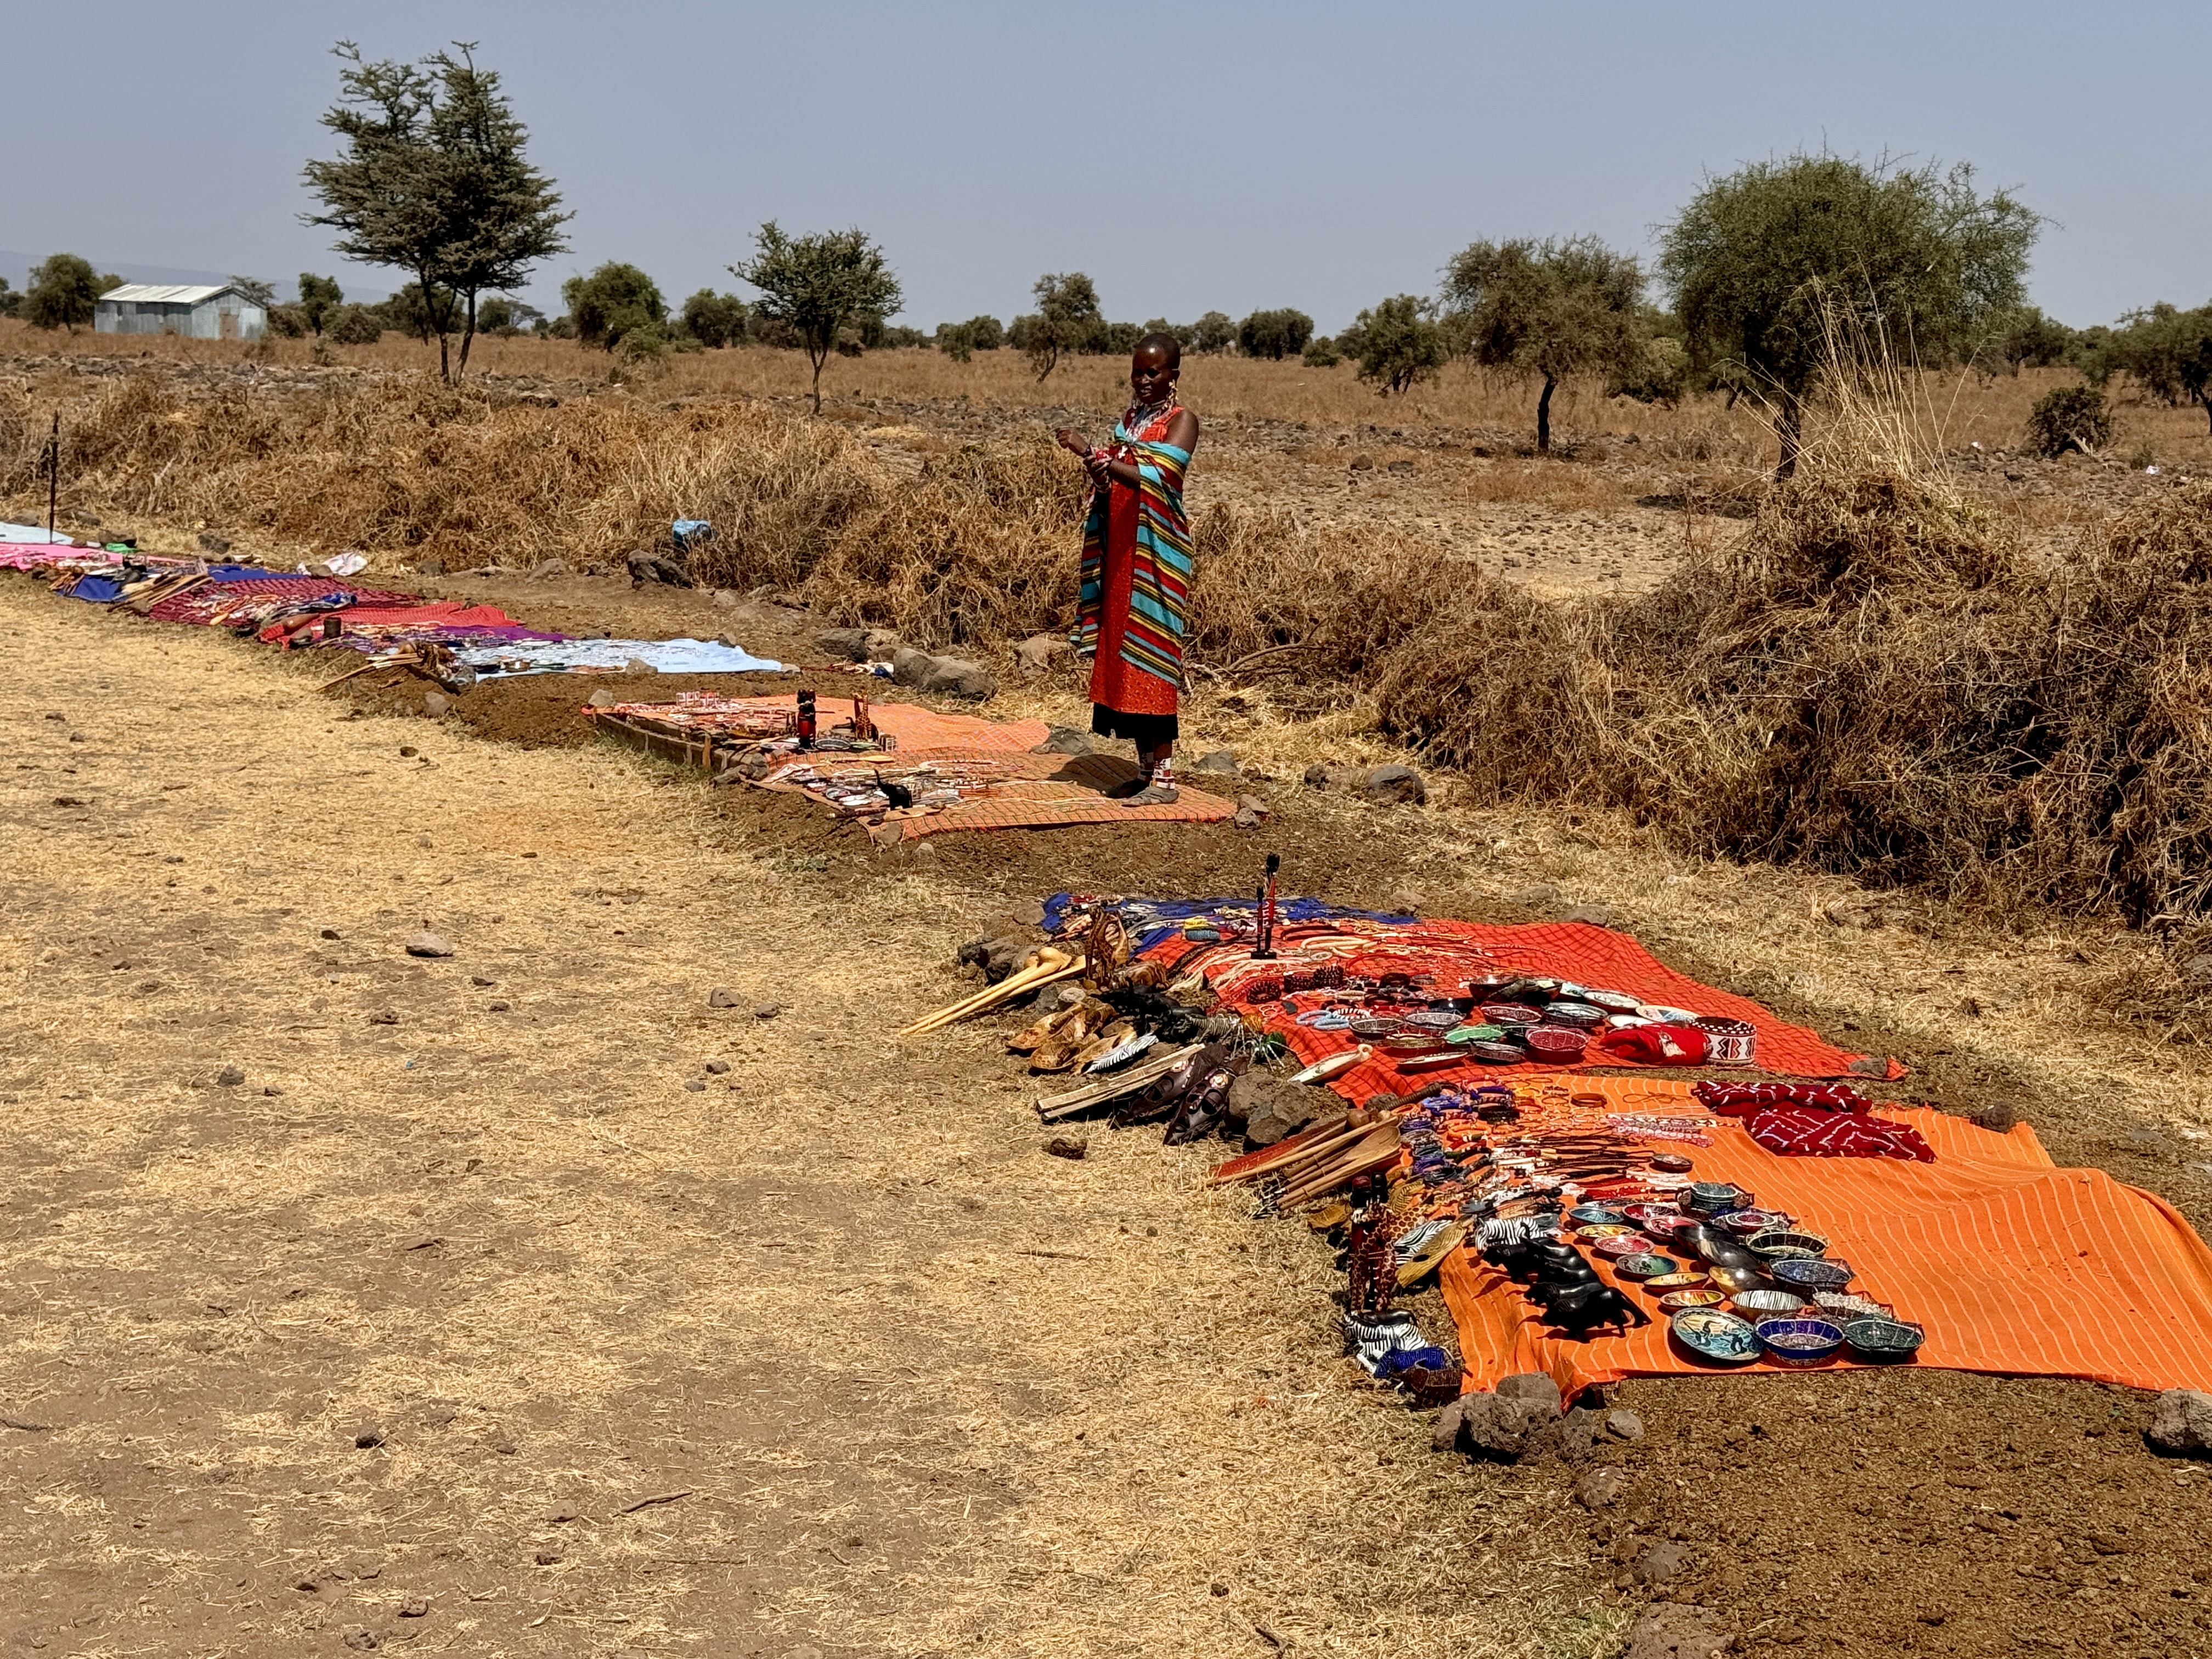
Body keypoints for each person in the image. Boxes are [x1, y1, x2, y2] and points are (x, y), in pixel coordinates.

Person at [1055, 333, 1200, 805]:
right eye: (1137, 372)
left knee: (1152, 660)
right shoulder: (1130, 423)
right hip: (1121, 555)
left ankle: (1165, 781)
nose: (1143, 380)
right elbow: (1117, 482)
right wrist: (1101, 475)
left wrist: (1090, 453)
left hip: (1155, 557)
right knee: (1125, 659)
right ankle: (1143, 773)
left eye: (1153, 372)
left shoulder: (1182, 422)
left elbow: (1160, 479)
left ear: (1173, 375)